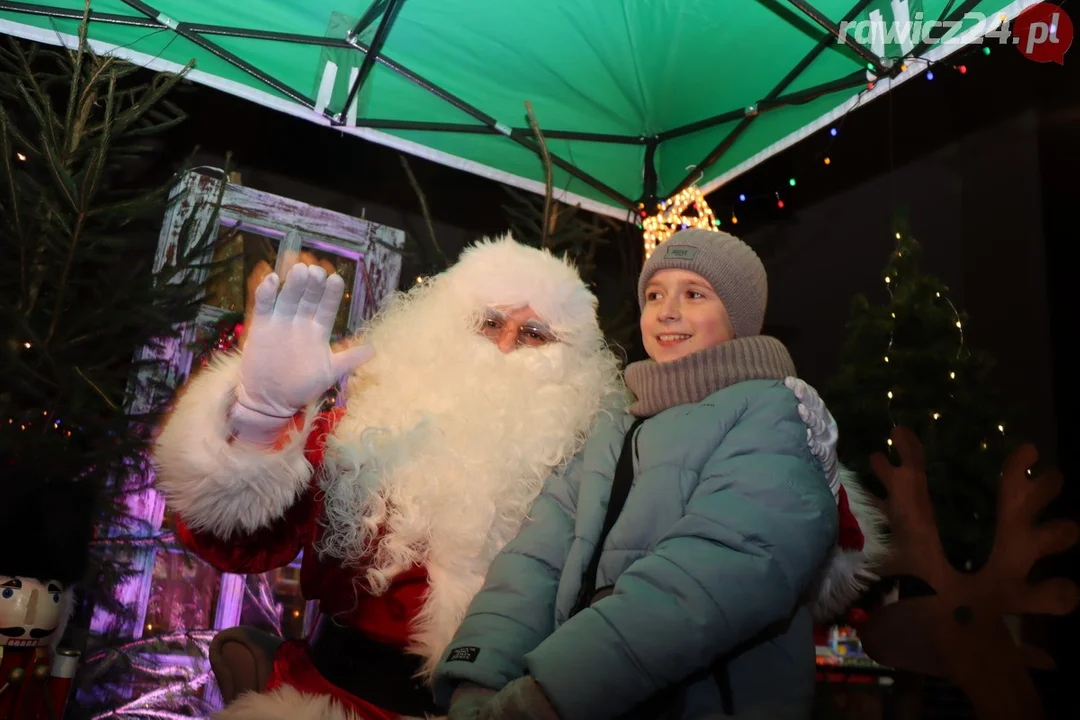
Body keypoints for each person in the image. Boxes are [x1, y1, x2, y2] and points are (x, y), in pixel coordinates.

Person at [151, 234, 844, 720]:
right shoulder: (370, 425)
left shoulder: (593, 453)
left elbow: (741, 556)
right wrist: (258, 421)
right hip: (320, 702)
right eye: (489, 322)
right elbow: (234, 542)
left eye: (536, 333)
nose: (508, 343)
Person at [434, 229, 886, 720]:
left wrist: (549, 695)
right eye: (654, 295)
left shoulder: (774, 413)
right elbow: (534, 559)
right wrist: (476, 678)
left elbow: (716, 571)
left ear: (739, 316)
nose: (667, 311)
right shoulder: (612, 427)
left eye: (694, 293)